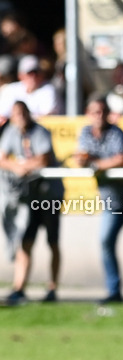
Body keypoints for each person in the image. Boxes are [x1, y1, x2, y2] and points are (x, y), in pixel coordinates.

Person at [74, 97, 123, 304]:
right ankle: (114, 290)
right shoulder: (85, 132)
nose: (99, 116)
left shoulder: (115, 132)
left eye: (102, 111)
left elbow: (121, 157)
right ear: (88, 113)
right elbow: (81, 157)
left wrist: (98, 163)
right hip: (111, 200)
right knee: (105, 242)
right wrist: (96, 162)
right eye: (95, 112)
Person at [0, 101, 63, 304]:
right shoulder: (11, 132)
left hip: (49, 196)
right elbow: (2, 158)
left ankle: (52, 287)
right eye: (16, 114)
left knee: (52, 242)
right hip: (29, 198)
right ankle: (19, 287)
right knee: (25, 242)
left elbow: (44, 159)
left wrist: (23, 165)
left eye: (23, 113)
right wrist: (17, 167)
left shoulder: (40, 132)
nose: (20, 117)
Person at [0, 55, 61, 122]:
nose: (33, 77)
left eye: (36, 73)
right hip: (15, 131)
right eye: (29, 73)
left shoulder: (49, 89)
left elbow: (49, 116)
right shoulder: (10, 90)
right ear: (20, 76)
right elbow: (2, 116)